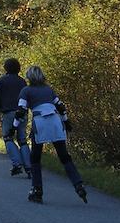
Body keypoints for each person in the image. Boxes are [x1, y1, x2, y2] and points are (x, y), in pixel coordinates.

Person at [14, 65, 87, 205]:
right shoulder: (48, 89)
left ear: (29, 77)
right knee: (64, 156)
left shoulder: (26, 90)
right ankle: (78, 184)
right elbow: (60, 106)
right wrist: (66, 121)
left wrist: (14, 127)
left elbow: (20, 111)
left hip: (40, 121)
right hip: (55, 120)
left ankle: (37, 190)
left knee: (35, 157)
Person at [0, 58, 31, 177]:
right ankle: (28, 166)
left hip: (9, 113)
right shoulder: (22, 81)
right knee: (22, 139)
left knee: (8, 138)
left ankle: (17, 163)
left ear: (6, 68)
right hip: (22, 112)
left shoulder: (2, 81)